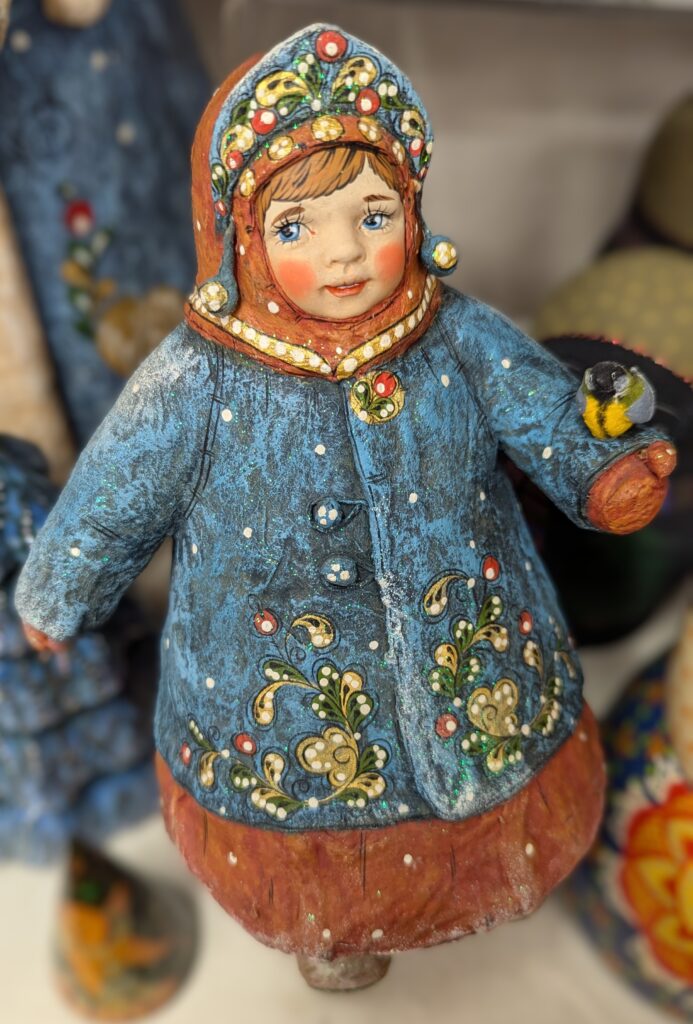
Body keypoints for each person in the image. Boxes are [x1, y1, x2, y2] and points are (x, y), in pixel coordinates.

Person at [16, 24, 677, 990]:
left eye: (373, 214)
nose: (345, 255)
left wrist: (604, 471)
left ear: (412, 207)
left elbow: (546, 414)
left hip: (475, 663)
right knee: (316, 882)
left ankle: (466, 889)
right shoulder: (196, 380)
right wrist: (60, 588)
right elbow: (115, 493)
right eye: (296, 228)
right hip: (276, 701)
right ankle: (331, 934)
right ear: (242, 236)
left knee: (491, 821)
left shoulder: (458, 336)